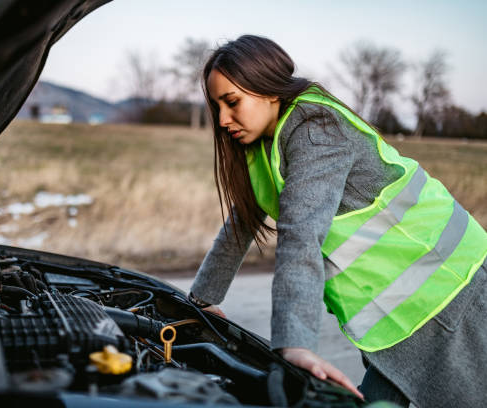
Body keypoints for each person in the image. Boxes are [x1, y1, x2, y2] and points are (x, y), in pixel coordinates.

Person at [188, 34, 487, 407]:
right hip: (404, 309)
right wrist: (201, 300)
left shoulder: (317, 130)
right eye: (216, 106)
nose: (222, 119)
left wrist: (294, 344)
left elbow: (302, 234)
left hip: (450, 286)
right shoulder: (263, 148)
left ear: (268, 90)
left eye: (232, 102)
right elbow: (242, 223)